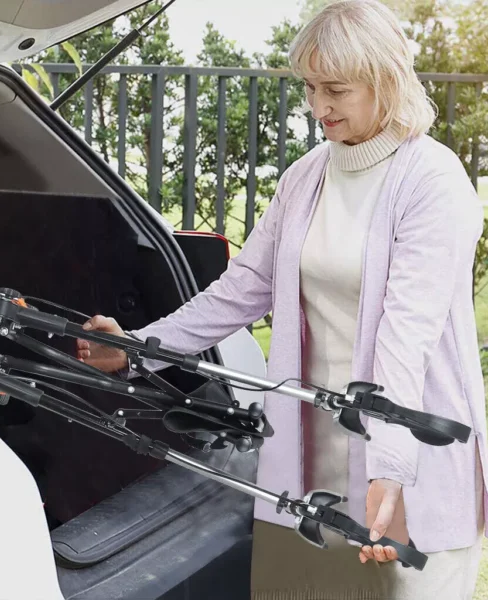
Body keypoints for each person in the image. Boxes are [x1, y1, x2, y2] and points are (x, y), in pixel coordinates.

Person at [77, 0, 487, 597]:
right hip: (308, 456)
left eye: (337, 90)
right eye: (311, 87)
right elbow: (240, 290)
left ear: (385, 80)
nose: (319, 107)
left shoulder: (433, 183)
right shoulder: (307, 176)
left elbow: (407, 335)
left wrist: (390, 466)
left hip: (407, 460)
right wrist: (139, 349)